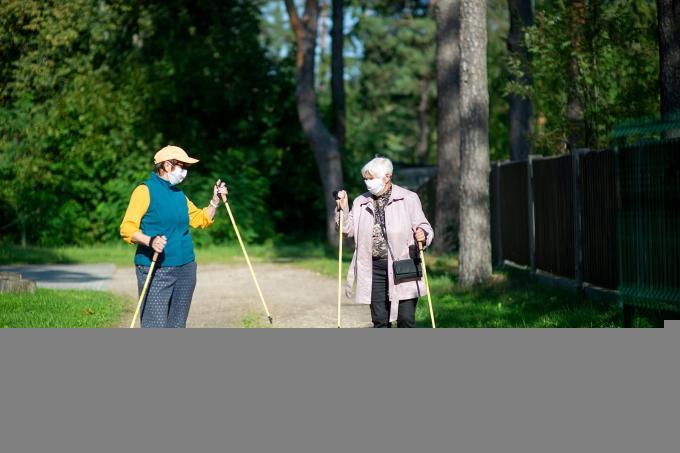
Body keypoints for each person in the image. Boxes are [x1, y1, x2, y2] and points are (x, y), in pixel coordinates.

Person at [119, 145, 227, 328]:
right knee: (155, 326)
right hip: (156, 268)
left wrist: (215, 202)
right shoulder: (144, 191)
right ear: (167, 166)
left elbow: (200, 219)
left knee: (177, 325)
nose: (185, 171)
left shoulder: (179, 195)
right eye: (182, 166)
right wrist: (150, 240)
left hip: (186, 267)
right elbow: (127, 228)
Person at [336, 157, 434, 328]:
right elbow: (345, 230)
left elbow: (425, 226)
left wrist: (423, 234)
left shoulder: (408, 198)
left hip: (403, 266)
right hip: (373, 268)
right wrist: (342, 208)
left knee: (405, 320)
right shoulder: (360, 202)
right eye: (365, 178)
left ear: (387, 177)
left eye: (371, 178)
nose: (367, 182)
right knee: (380, 321)